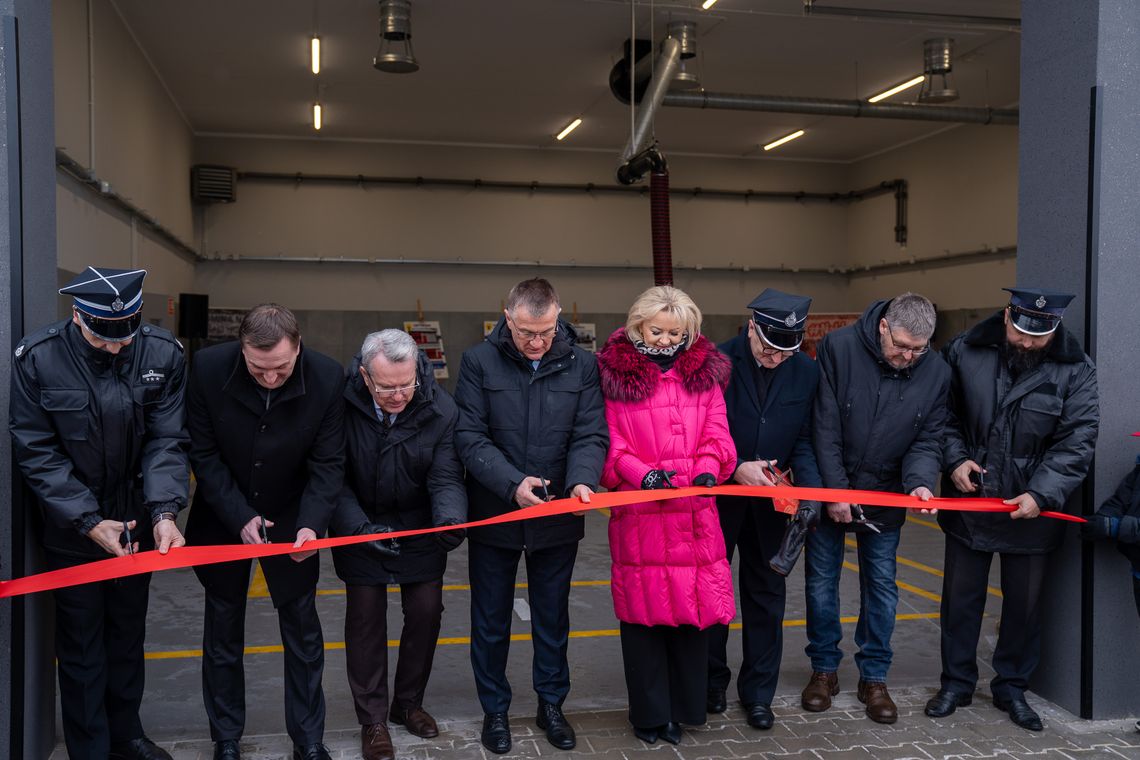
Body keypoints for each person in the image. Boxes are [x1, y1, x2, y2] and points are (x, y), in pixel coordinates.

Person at [9, 266, 188, 760]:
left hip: (137, 524)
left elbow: (167, 440)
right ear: (77, 316)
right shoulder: (38, 358)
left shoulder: (163, 353)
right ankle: (90, 748)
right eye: (102, 336)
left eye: (125, 335)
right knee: (82, 643)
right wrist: (87, 520)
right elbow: (36, 450)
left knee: (128, 635)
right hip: (74, 529)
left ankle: (127, 735)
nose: (114, 346)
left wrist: (164, 512)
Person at [926, 288, 1098, 732]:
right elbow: (940, 415)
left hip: (1031, 508)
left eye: (1039, 337)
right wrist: (954, 460)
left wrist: (1042, 494)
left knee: (1023, 607)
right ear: (1007, 317)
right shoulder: (964, 351)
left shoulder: (1076, 369)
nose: (1027, 343)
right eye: (1021, 333)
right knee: (960, 602)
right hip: (971, 498)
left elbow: (1077, 440)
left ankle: (1012, 688)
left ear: (1055, 328)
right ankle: (956, 684)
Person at [454, 277, 608, 755]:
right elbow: (469, 436)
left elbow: (590, 433)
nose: (537, 342)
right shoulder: (478, 362)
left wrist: (581, 480)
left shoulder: (583, 365)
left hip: (557, 511)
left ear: (558, 318)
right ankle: (495, 711)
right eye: (526, 332)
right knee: (490, 620)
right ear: (507, 318)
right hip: (496, 511)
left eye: (545, 332)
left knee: (552, 617)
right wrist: (511, 484)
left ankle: (552, 705)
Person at [185, 304, 346, 760]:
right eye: (258, 369)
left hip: (295, 516)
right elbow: (203, 453)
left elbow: (328, 463)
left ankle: (308, 739)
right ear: (242, 349)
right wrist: (238, 515)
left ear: (298, 347)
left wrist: (312, 524)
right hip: (223, 513)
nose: (271, 378)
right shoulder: (207, 368)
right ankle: (226, 739)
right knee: (222, 631)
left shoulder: (327, 377)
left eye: (281, 368)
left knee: (303, 632)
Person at [596, 285, 736, 745]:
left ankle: (682, 710)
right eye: (657, 331)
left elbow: (718, 431)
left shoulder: (705, 376)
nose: (666, 341)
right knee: (644, 619)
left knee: (692, 617)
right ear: (638, 325)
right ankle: (649, 715)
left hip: (694, 514)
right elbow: (609, 444)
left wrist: (710, 467)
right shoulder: (613, 377)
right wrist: (644, 475)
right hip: (642, 515)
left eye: (676, 333)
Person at [805, 292, 949, 724]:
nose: (907, 357)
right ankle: (824, 670)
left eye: (918, 350)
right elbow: (824, 425)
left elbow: (928, 437)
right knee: (821, 583)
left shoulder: (936, 371)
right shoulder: (839, 348)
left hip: (884, 495)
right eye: (901, 346)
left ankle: (874, 677)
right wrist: (836, 492)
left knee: (882, 587)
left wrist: (920, 482)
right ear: (883, 326)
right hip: (834, 483)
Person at [329, 329, 467, 760]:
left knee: (426, 611)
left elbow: (446, 475)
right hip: (360, 523)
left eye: (406, 385)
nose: (398, 395)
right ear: (365, 376)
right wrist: (359, 529)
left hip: (418, 524)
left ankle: (408, 704)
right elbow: (332, 476)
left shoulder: (440, 407)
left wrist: (450, 518)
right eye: (387, 388)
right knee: (365, 619)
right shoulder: (338, 404)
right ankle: (372, 720)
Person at [706, 288, 823, 731]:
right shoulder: (717, 362)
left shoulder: (806, 372)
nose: (776, 359)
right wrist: (735, 467)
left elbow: (805, 440)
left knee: (767, 599)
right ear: (752, 327)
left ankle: (758, 695)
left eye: (785, 352)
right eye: (769, 349)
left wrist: (810, 494)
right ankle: (710, 683)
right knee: (713, 595)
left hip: (773, 505)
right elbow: (699, 434)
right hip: (720, 498)